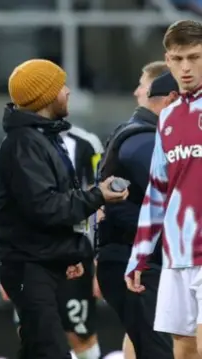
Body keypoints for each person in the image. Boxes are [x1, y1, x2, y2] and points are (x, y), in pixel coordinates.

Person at [0, 58, 128, 359]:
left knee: (38, 347)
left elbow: (54, 205)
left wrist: (71, 251)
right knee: (49, 348)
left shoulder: (42, 139)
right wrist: (98, 195)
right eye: (60, 86)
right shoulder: (25, 144)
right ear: (45, 96)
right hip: (28, 263)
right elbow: (46, 207)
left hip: (44, 259)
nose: (67, 91)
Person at [125, 20, 202, 359]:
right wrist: (140, 253)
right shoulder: (168, 118)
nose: (185, 67)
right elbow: (157, 190)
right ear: (167, 61)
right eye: (178, 58)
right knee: (182, 348)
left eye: (195, 57)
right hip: (177, 253)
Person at [1, 122, 105, 359]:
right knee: (31, 332)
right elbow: (9, 208)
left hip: (74, 255)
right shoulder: (16, 143)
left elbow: (99, 206)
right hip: (29, 257)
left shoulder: (86, 143)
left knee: (80, 334)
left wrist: (97, 260)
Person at [97, 64, 176, 359]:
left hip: (138, 261)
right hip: (135, 264)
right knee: (159, 351)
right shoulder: (143, 141)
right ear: (171, 100)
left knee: (149, 345)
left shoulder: (141, 135)